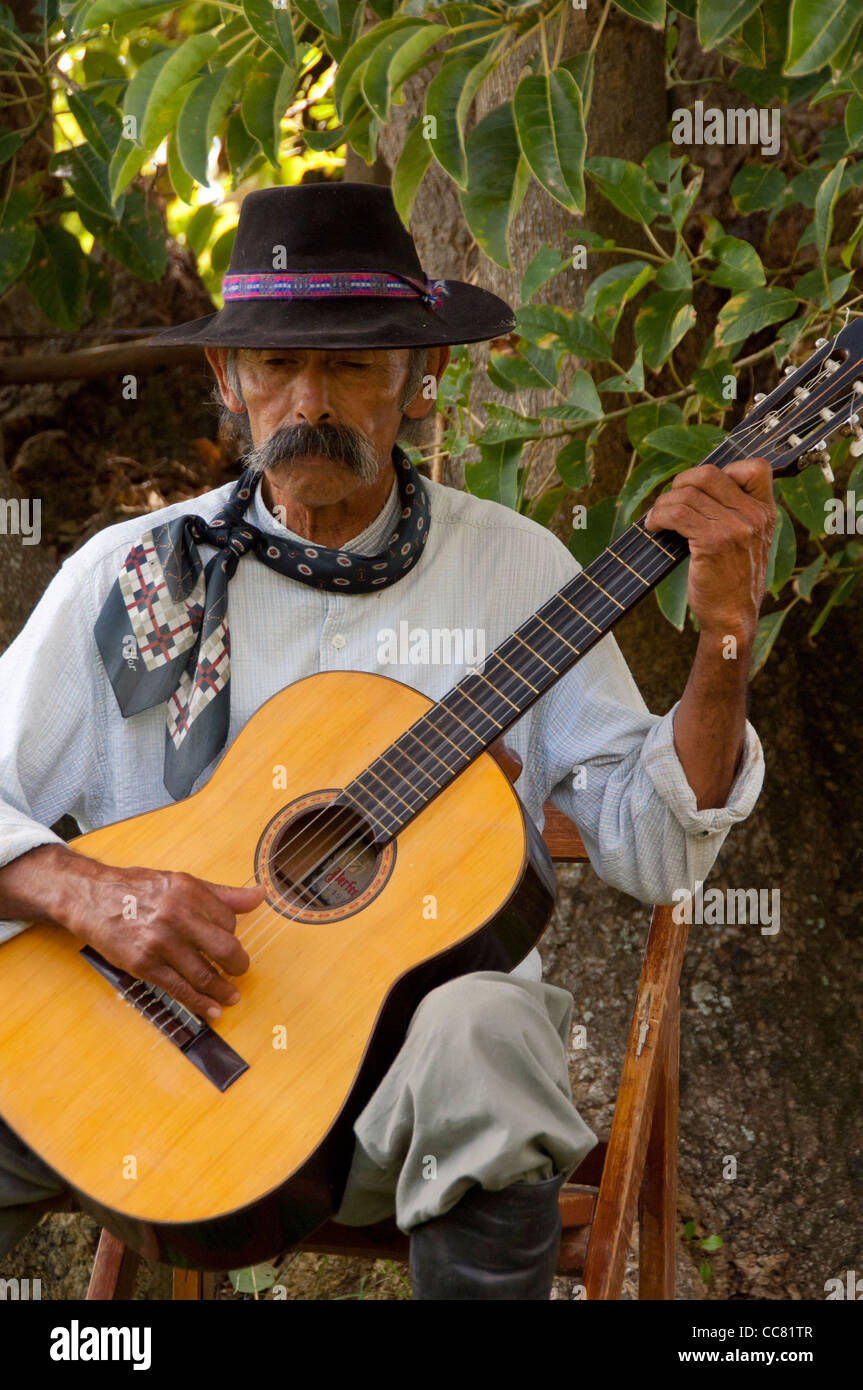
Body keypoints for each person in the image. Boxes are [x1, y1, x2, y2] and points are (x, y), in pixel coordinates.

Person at [0, 183, 772, 1299]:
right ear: (227, 381)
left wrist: (721, 647)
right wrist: (86, 893)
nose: (308, 399)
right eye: (275, 366)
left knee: (489, 1027)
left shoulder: (515, 572)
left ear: (422, 379)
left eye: (354, 365)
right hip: (139, 1074)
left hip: (395, 1111)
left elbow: (652, 847)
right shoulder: (127, 575)